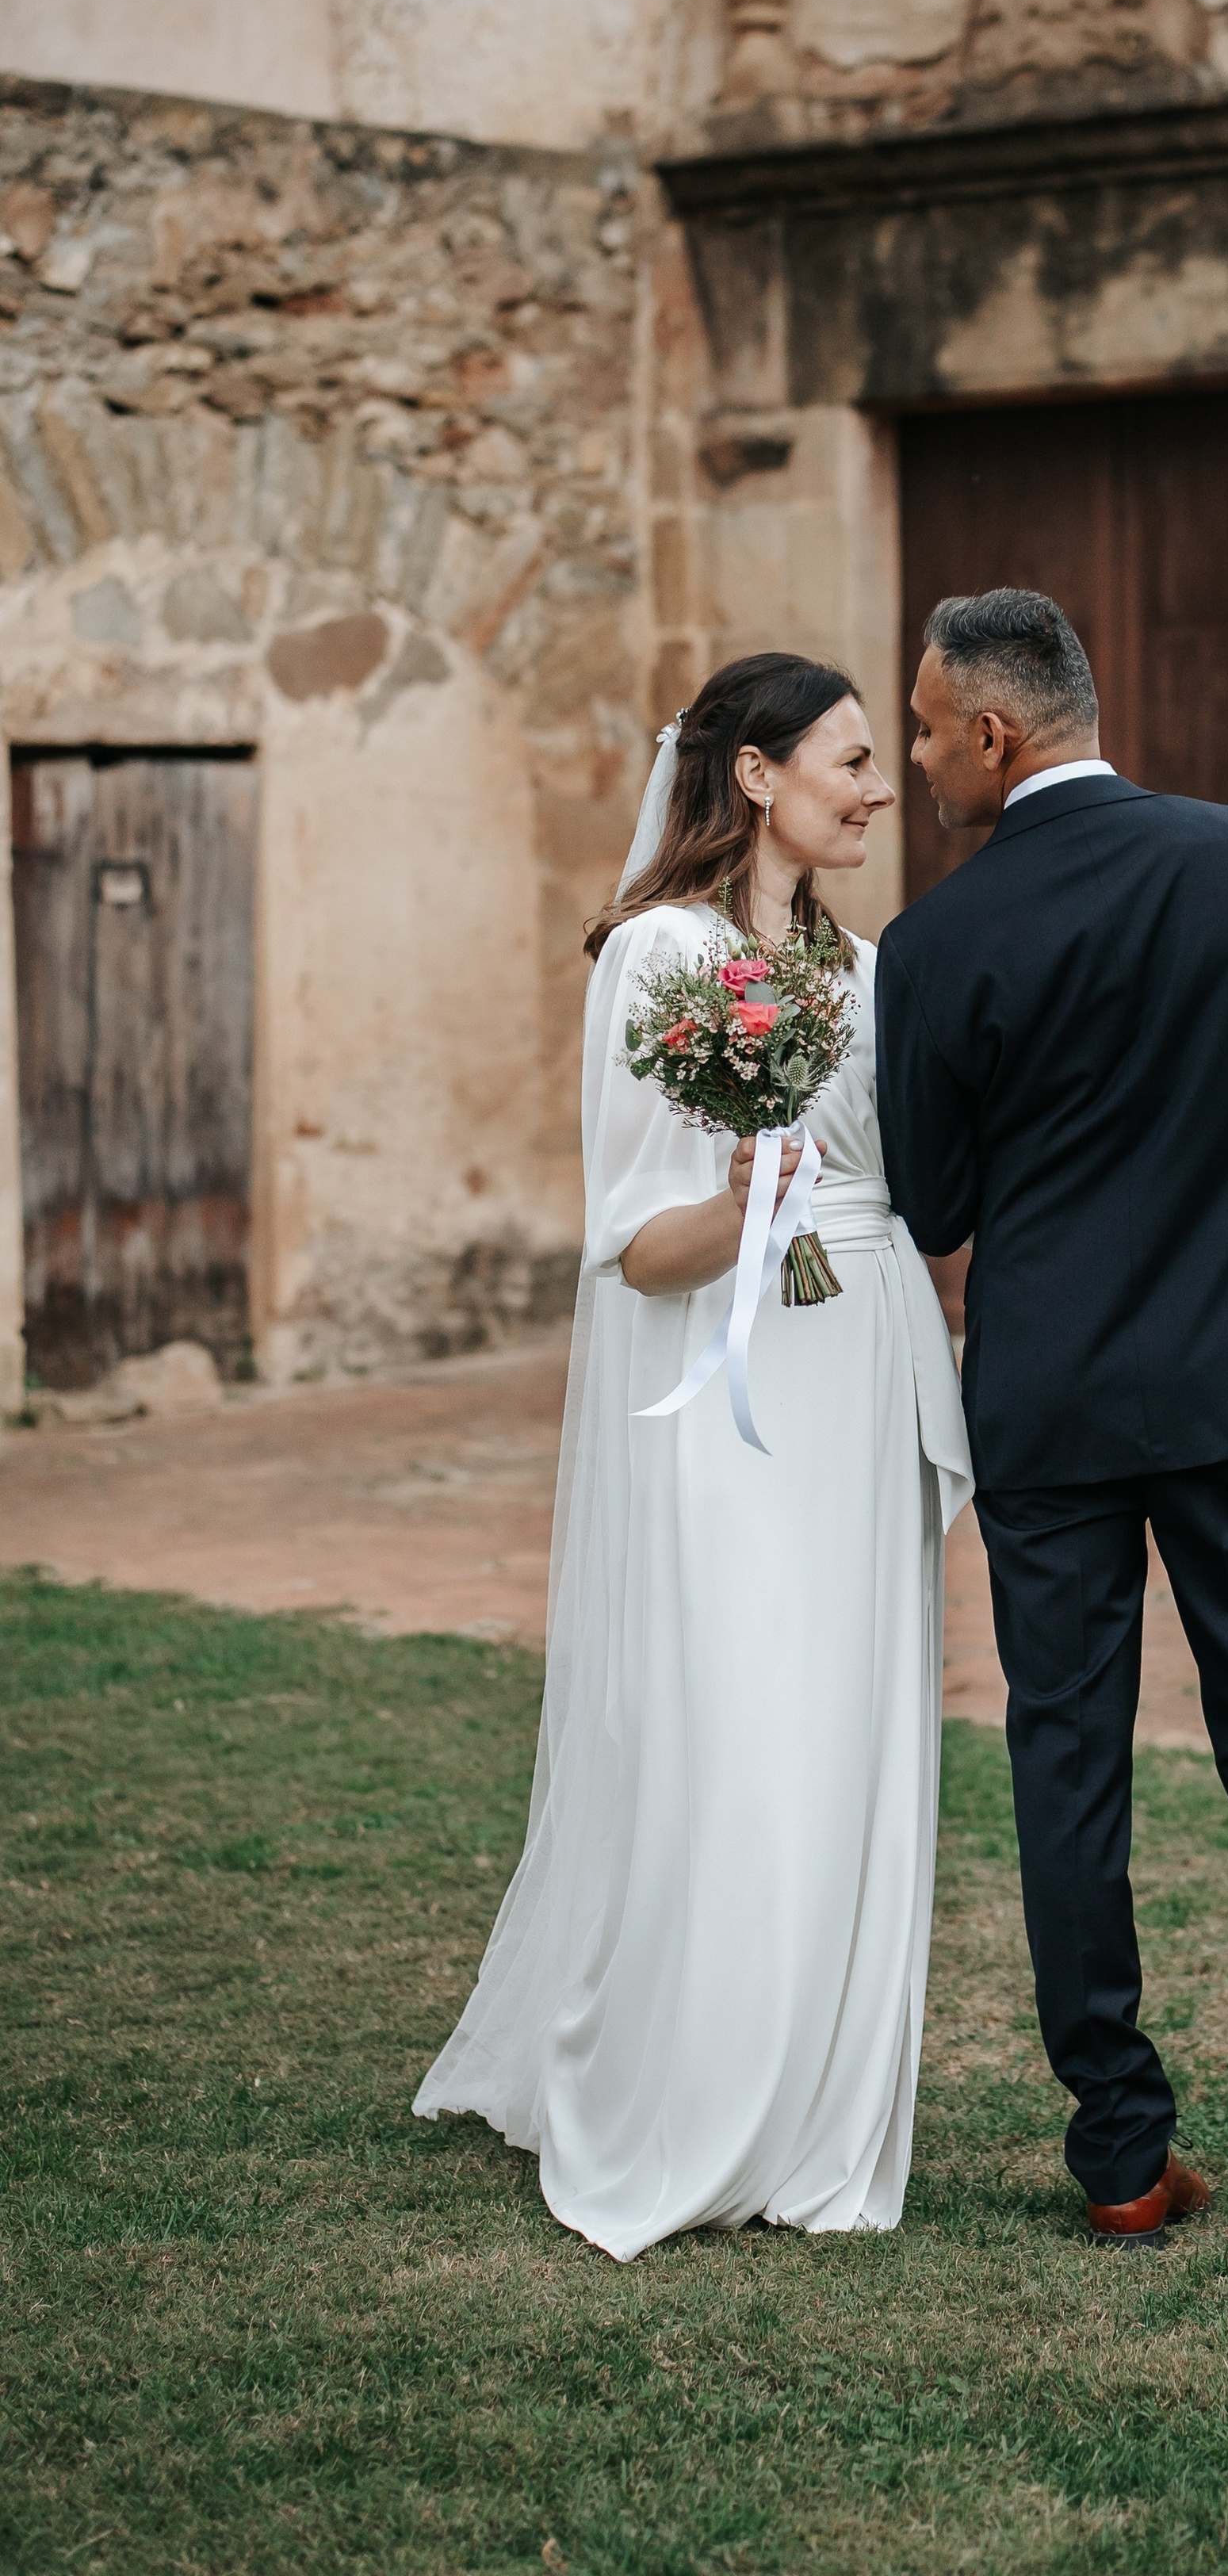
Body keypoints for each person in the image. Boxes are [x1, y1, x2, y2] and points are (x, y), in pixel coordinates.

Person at [876, 588, 1228, 2250]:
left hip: (1046, 1396)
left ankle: (1121, 2158)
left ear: (994, 732)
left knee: (1067, 1763)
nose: (913, 760)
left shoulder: (936, 944)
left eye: (921, 728)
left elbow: (931, 1194)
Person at [415, 653, 971, 2258]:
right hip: (727, 1389)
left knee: (845, 1726)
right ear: (753, 774)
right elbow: (632, 1247)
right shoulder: (658, 953)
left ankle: (819, 2110)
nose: (876, 788)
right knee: (740, 1721)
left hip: (859, 1364)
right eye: (851, 761)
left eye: (879, 764)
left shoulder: (865, 968)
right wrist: (750, 1203)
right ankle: (693, 2092)